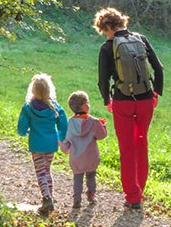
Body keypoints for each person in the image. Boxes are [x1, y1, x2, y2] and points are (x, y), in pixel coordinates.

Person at [94, 8, 164, 209]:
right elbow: (158, 68)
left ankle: (132, 197)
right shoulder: (141, 39)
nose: (105, 33)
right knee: (141, 144)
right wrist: (155, 92)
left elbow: (102, 80)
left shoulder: (107, 48)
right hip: (145, 99)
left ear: (107, 26)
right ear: (122, 22)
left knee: (127, 149)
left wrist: (107, 99)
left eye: (103, 30)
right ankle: (140, 190)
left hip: (122, 101)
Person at [17, 73, 68, 216]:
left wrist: (24, 131)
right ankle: (49, 198)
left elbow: (22, 126)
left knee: (41, 172)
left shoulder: (28, 107)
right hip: (51, 144)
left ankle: (46, 198)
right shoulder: (55, 107)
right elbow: (64, 126)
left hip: (36, 144)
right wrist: (60, 137)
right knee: (47, 170)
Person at [60, 91, 108, 209]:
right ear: (85, 107)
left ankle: (77, 200)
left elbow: (66, 141)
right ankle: (91, 194)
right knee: (91, 175)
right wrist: (103, 125)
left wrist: (64, 148)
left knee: (78, 177)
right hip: (91, 157)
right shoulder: (94, 121)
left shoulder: (70, 123)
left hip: (76, 158)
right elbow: (101, 136)